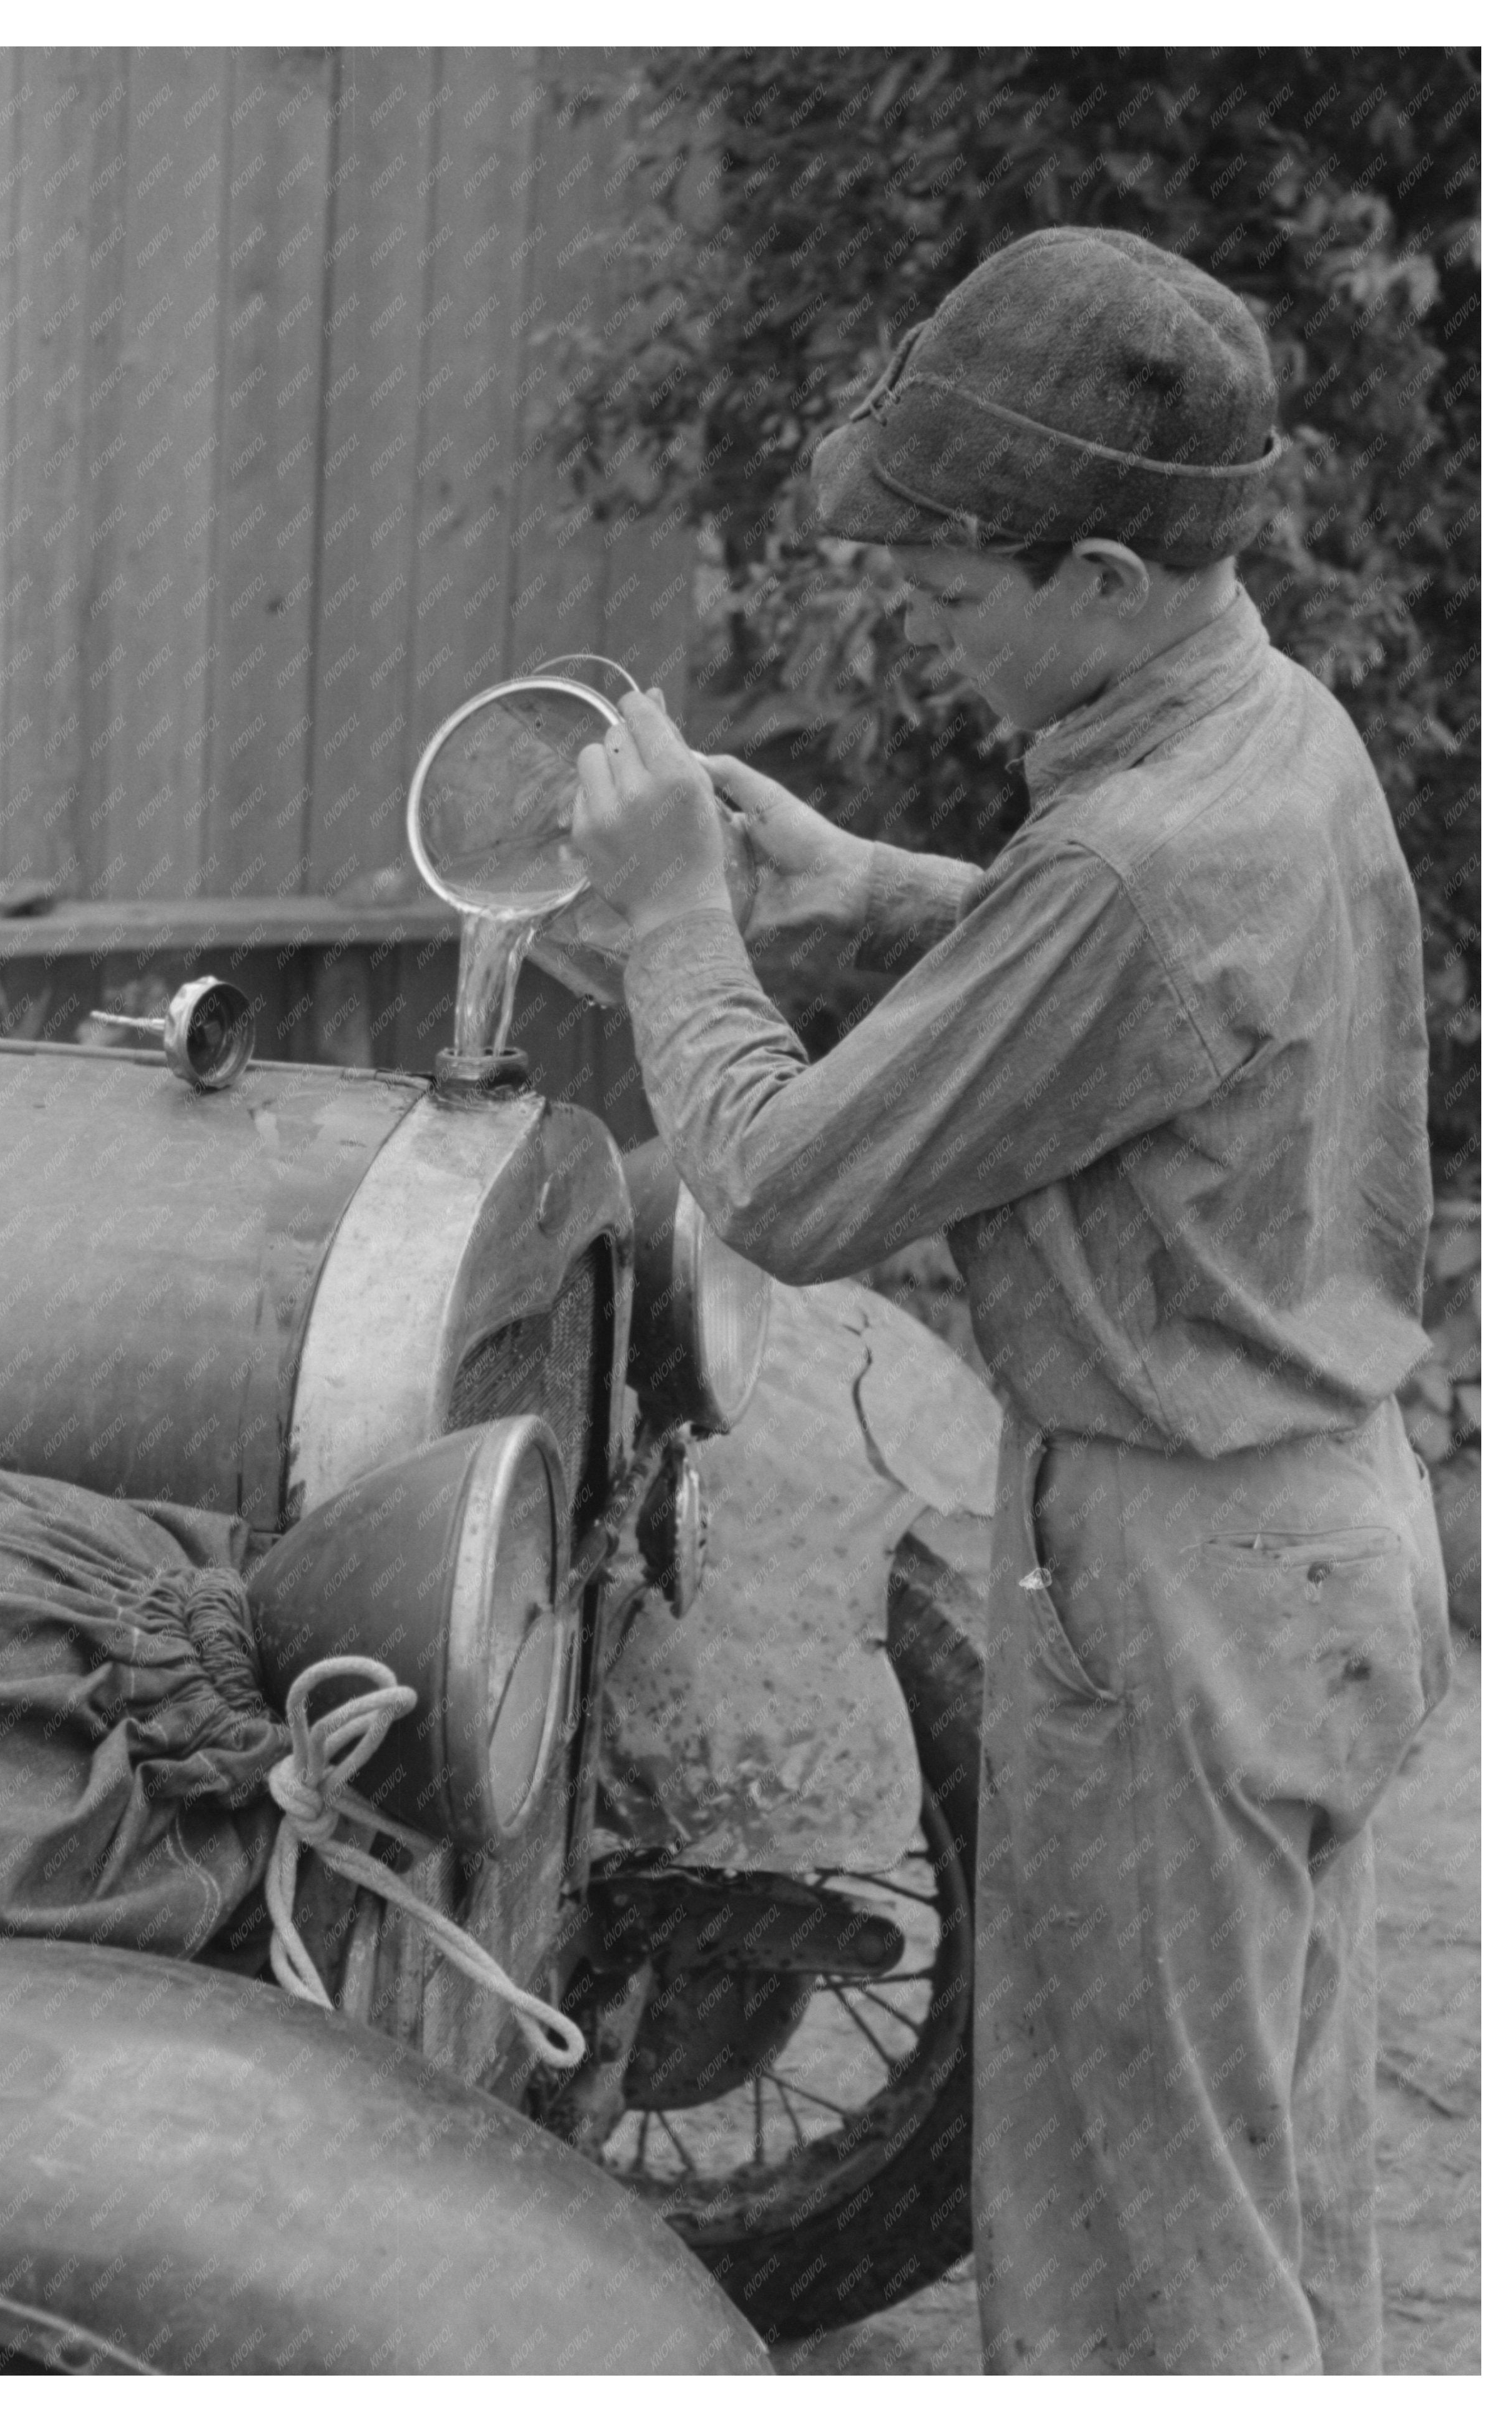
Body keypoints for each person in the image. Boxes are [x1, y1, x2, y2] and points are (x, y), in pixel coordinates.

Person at [571, 225, 1451, 2375]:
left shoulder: (1129, 866)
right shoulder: (1271, 730)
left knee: (1146, 2268)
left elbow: (780, 1185)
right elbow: (1165, 996)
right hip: (1324, 1540)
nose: (933, 637)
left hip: (1174, 1593)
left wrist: (686, 927)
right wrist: (885, 891)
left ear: (1108, 582)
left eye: (958, 598)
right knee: (1263, 2200)